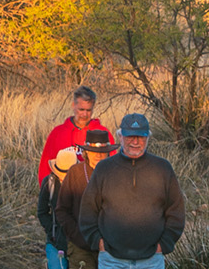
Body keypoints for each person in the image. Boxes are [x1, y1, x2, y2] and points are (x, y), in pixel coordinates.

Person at [81, 113, 186, 269]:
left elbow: (176, 211)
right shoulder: (104, 169)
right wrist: (99, 243)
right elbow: (88, 211)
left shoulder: (162, 168)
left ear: (148, 138)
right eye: (130, 136)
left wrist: (163, 245)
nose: (135, 142)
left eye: (141, 137)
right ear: (120, 136)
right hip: (111, 260)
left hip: (151, 260)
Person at [57, 129, 117, 269]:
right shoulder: (75, 173)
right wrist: (77, 235)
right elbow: (62, 210)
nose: (98, 155)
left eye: (102, 151)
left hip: (111, 246)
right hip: (80, 246)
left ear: (108, 152)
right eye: (93, 150)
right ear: (86, 152)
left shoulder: (116, 173)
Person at [39, 87, 112, 183]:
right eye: (81, 109)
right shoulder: (58, 133)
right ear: (73, 105)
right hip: (63, 189)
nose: (84, 114)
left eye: (88, 110)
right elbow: (46, 166)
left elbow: (111, 166)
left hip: (93, 188)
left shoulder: (102, 133)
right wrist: (47, 190)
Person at [38, 148, 77, 269]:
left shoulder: (82, 184)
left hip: (78, 243)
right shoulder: (49, 183)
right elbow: (42, 212)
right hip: (55, 241)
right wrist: (52, 231)